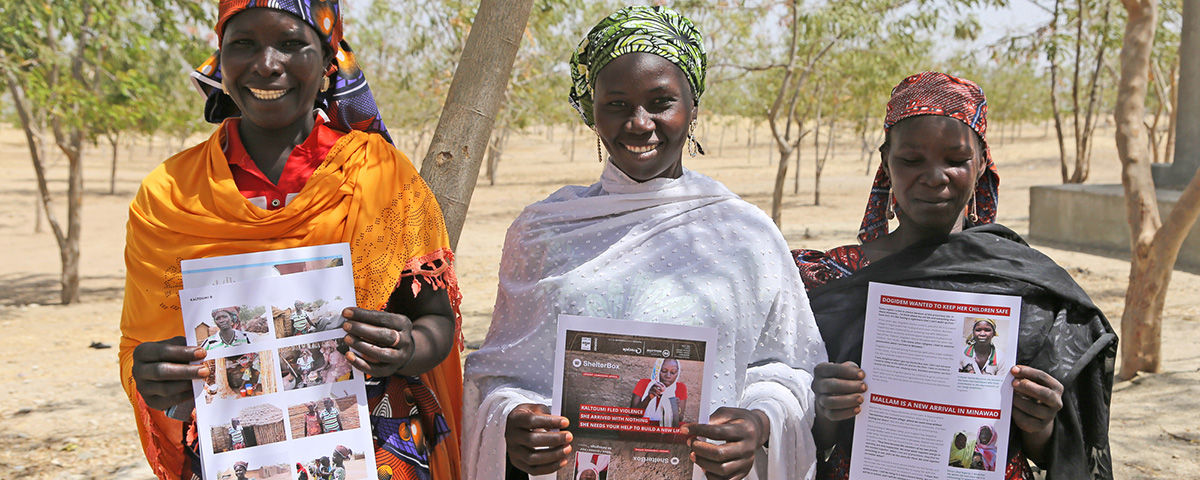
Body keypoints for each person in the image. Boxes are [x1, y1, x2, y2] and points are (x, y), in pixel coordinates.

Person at [461, 6, 825, 479]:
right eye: (616, 104)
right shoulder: (542, 231)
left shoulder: (746, 234)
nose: (638, 123)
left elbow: (788, 367)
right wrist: (510, 420)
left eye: (660, 102)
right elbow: (498, 375)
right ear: (591, 111)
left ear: (692, 107)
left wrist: (758, 422)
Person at [118, 2, 464, 479]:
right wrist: (154, 378)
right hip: (240, 454)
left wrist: (406, 348)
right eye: (243, 44)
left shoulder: (381, 176)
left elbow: (435, 322)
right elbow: (141, 343)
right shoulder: (169, 193)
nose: (266, 63)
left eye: (290, 43)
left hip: (377, 451)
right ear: (221, 58)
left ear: (327, 61)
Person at [792, 72, 1116, 479]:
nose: (934, 176)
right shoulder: (835, 278)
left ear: (981, 164)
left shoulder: (1025, 283)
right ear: (886, 165)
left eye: (956, 160)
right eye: (911, 160)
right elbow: (805, 435)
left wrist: (1041, 423)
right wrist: (825, 410)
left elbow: (1058, 450)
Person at [629, 358, 687, 428]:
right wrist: (649, 397)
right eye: (664, 371)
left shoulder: (680, 388)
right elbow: (633, 415)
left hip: (665, 429)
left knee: (683, 427)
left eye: (673, 372)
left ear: (678, 373)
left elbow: (679, 419)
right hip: (643, 426)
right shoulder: (644, 383)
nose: (668, 376)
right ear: (657, 370)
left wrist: (674, 408)